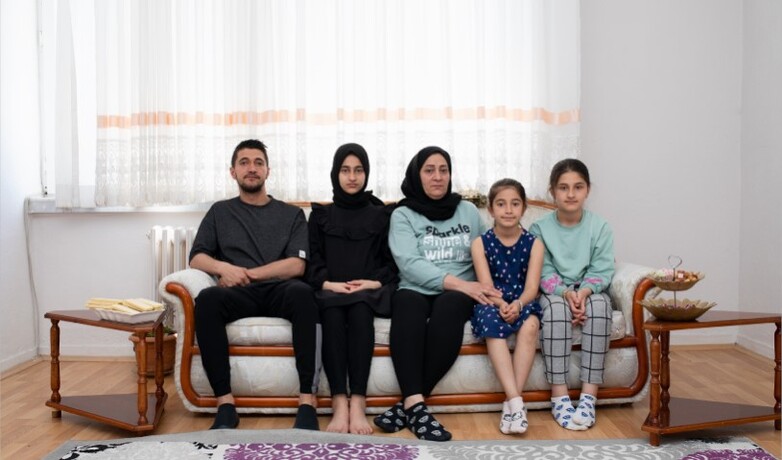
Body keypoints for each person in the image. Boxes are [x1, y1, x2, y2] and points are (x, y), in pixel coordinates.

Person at [189, 139, 320, 431]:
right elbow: (197, 258)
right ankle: (225, 404)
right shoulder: (219, 212)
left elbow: (297, 266)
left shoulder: (291, 214)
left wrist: (249, 273)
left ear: (268, 171)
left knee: (303, 293)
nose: (252, 168)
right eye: (244, 162)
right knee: (207, 300)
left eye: (258, 163)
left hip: (279, 290)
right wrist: (223, 268)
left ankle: (307, 402)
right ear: (232, 172)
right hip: (237, 293)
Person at [373, 146, 499, 442]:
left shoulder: (467, 211)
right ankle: (416, 408)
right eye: (429, 170)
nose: (438, 177)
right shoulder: (403, 214)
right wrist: (462, 283)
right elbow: (409, 263)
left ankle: (411, 406)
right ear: (417, 175)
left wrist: (483, 287)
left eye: (444, 170)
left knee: (449, 310)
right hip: (417, 287)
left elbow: (484, 252)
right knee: (406, 305)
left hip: (458, 294)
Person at [306, 143, 398, 435]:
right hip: (330, 290)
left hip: (367, 291)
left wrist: (373, 282)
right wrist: (328, 283)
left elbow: (390, 260)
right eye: (345, 170)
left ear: (366, 174)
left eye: (359, 170)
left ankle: (357, 402)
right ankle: (338, 403)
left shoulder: (380, 214)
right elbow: (313, 259)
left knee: (360, 313)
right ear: (335, 173)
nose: (352, 177)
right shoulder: (321, 215)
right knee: (332, 315)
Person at [529, 158, 615, 431]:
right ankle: (560, 396)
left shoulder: (600, 227)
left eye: (578, 187)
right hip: (555, 291)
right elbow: (542, 271)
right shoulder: (539, 229)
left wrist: (586, 292)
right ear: (553, 191)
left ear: (587, 190)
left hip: (591, 289)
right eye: (563, 187)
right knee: (554, 311)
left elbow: (602, 267)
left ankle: (589, 397)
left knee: (601, 308)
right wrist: (567, 294)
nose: (570, 194)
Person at [470, 178, 544, 435]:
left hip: (522, 300)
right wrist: (502, 304)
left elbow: (532, 287)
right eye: (501, 204)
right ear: (490, 209)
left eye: (515, 204)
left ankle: (511, 404)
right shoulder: (480, 243)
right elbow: (486, 286)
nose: (508, 210)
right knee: (492, 325)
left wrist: (519, 304)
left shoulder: (534, 243)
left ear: (523, 208)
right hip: (493, 301)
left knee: (531, 324)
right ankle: (516, 402)